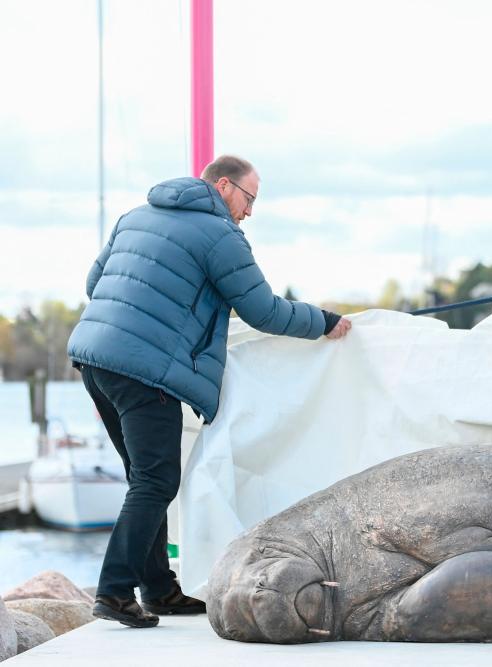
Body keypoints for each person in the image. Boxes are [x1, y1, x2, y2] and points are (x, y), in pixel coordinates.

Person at [66, 155, 352, 628]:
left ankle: (158, 589)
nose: (250, 212)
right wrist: (322, 322)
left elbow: (95, 283)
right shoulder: (220, 236)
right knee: (156, 481)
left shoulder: (135, 216)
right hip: (144, 372)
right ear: (224, 185)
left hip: (94, 359)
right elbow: (263, 311)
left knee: (146, 479)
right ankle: (114, 592)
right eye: (250, 198)